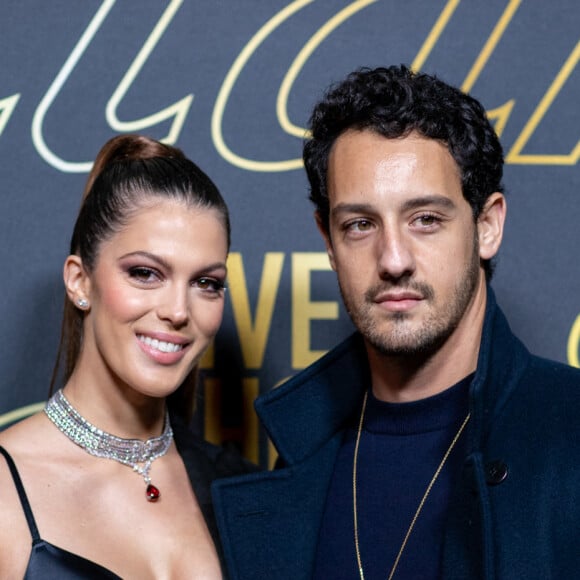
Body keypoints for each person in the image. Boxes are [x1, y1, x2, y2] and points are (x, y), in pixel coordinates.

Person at [211, 66, 580, 579]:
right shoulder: (301, 457)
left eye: (425, 219)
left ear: (487, 225)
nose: (393, 259)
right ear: (329, 241)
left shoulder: (570, 428)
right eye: (360, 225)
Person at [0, 134, 256, 578]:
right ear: (80, 281)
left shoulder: (240, 486)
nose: (178, 311)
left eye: (206, 283)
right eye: (145, 273)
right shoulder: (6, 487)